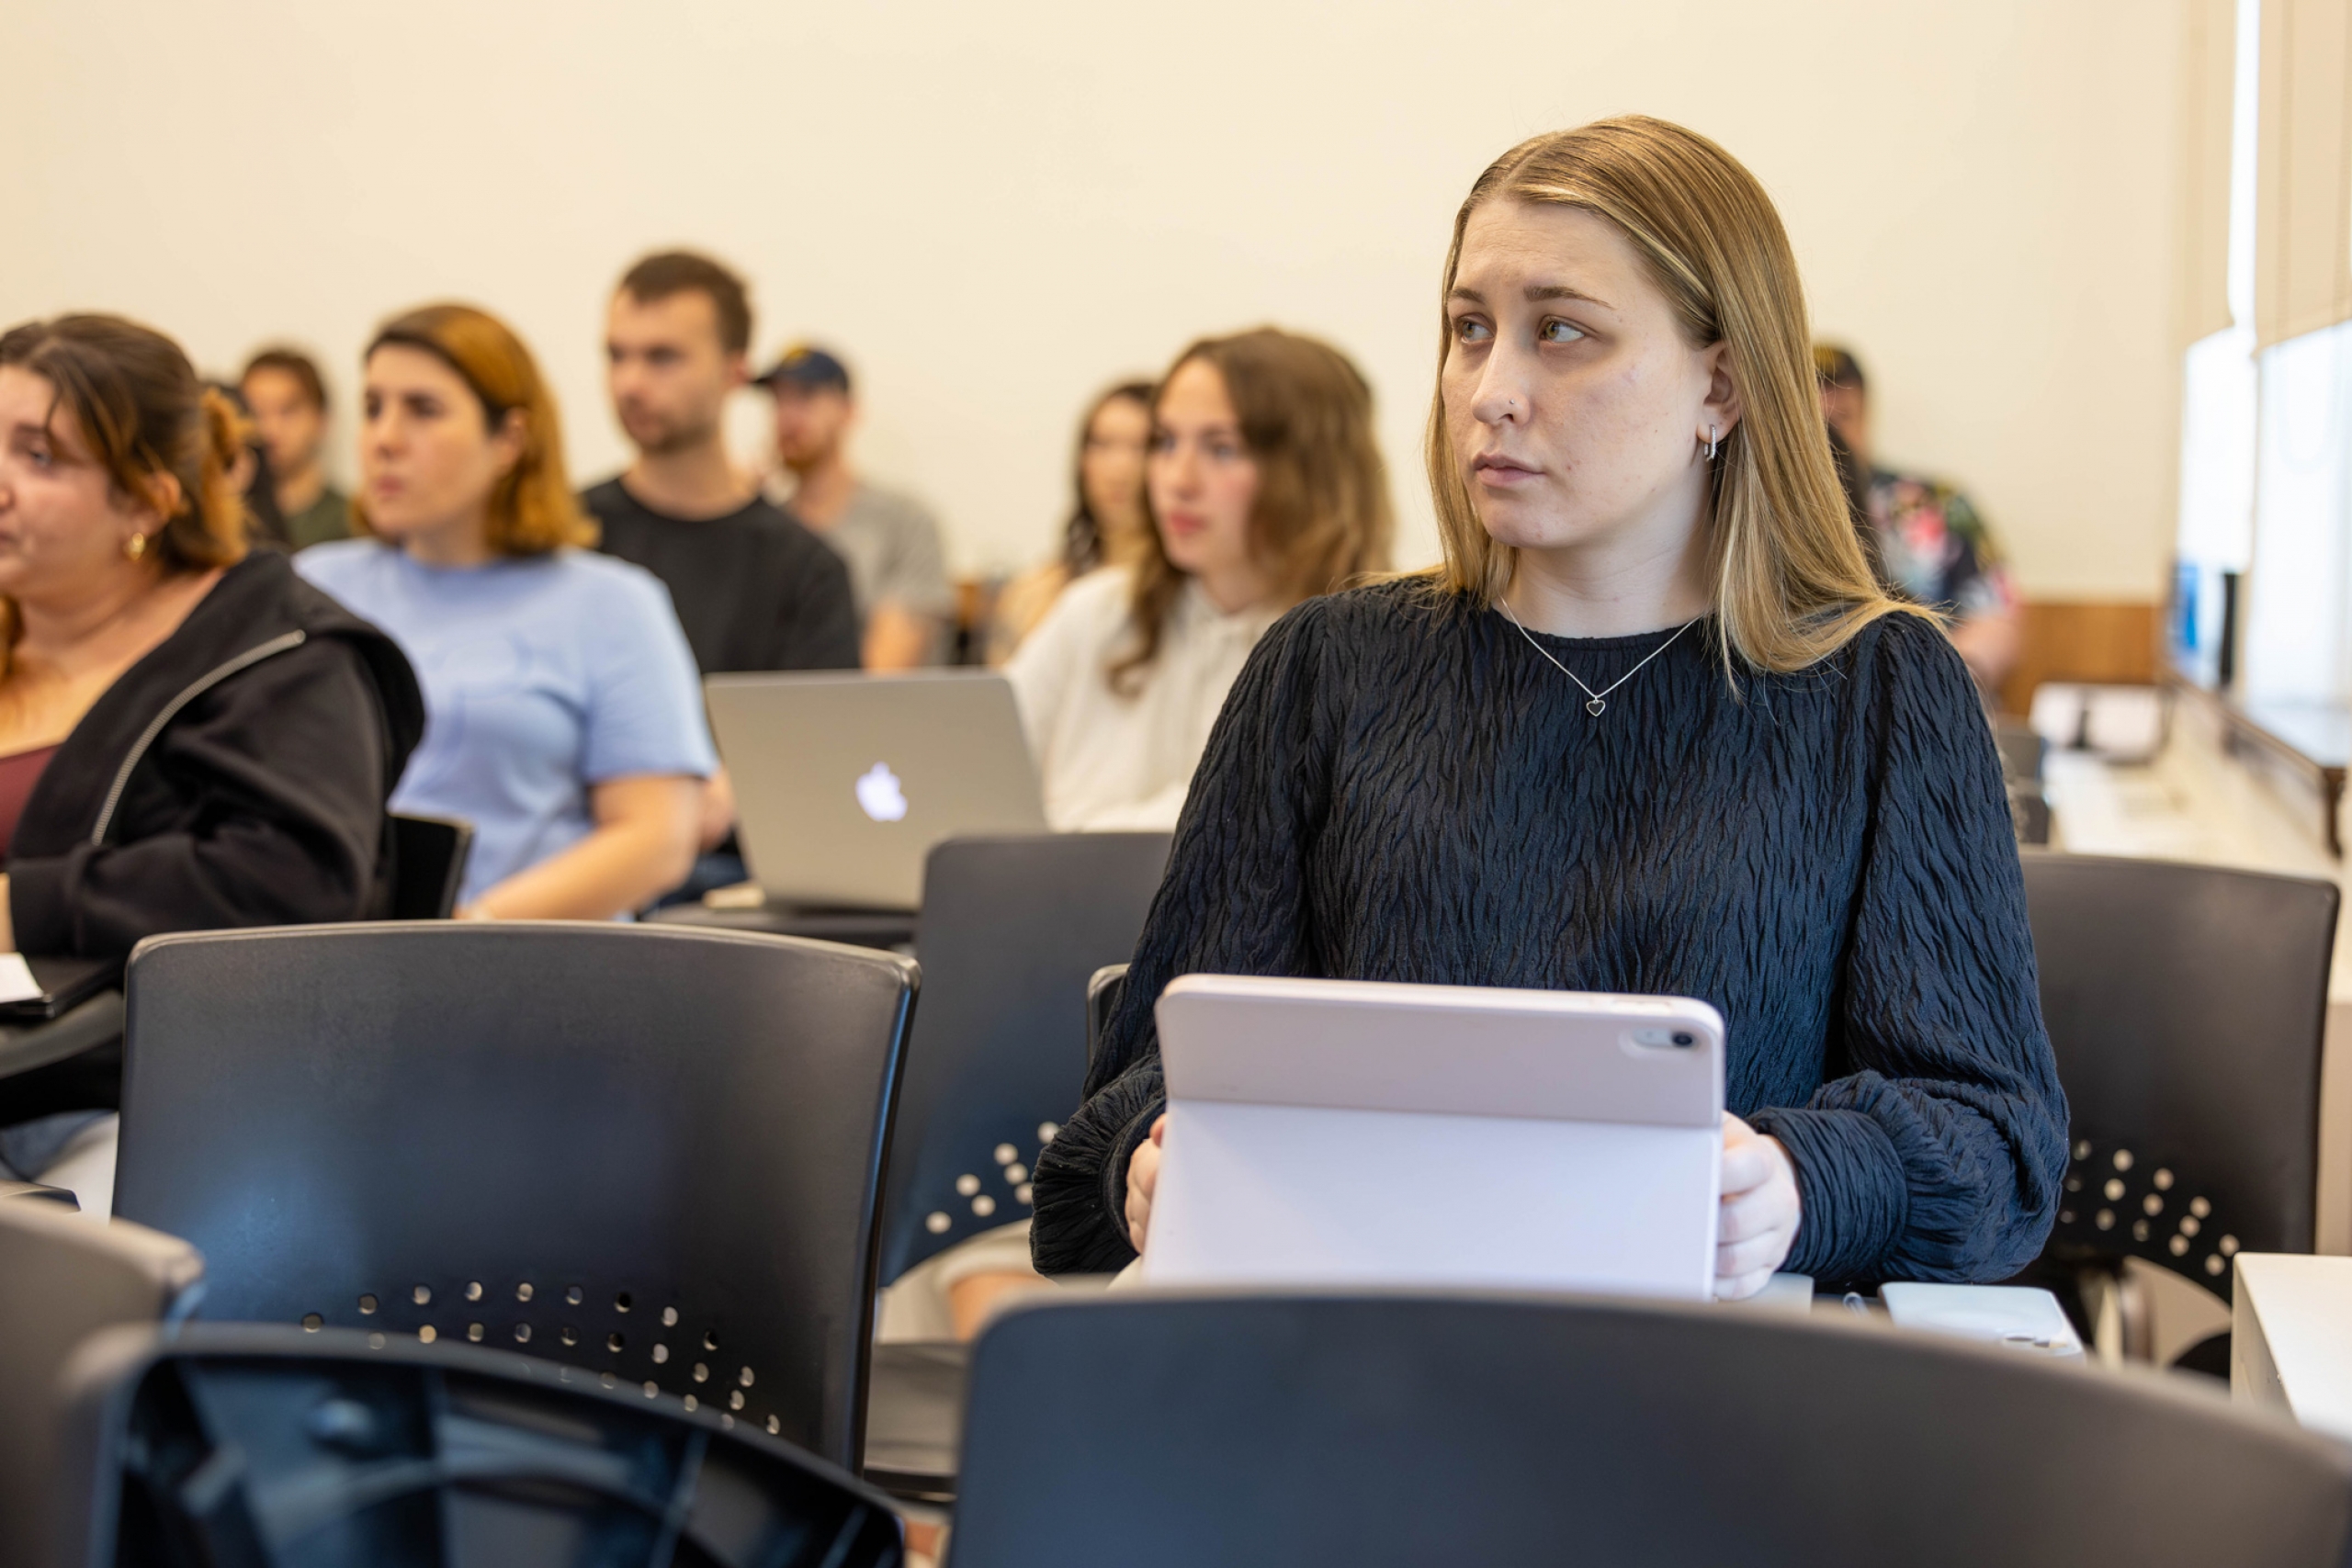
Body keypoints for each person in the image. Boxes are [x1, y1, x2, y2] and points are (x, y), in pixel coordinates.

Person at [1031, 118, 2067, 1299]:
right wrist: (1148, 1165)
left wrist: (1794, 1184)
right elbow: (1129, 1106)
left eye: (1560, 332)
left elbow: (1996, 1147)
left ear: (1720, 385)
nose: (1492, 392)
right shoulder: (1325, 670)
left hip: (1710, 1380)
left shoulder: (1880, 691)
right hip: (1359, 1352)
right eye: (1469, 330)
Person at [0, 313, 423, 1159]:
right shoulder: (17, 623)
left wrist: (22, 903)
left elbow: (292, 882)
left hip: (135, 1104)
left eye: (38, 456)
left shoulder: (277, 653)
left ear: (148, 500)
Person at [300, 304, 714, 920]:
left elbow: (657, 840)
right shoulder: (312, 585)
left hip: (527, 969)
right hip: (323, 958)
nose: (385, 439)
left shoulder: (610, 604)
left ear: (509, 441)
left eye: (424, 410)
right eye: (373, 407)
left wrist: (475, 930)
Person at [1007, 330, 1391, 833]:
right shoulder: (1094, 612)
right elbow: (968, 771)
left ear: (1308, 471)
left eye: (1222, 448)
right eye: (1165, 443)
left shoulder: (1364, 652)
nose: (1177, 480)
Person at [582, 253, 859, 674]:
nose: (629, 383)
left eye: (662, 357)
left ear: (734, 372)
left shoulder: (803, 573)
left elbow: (821, 739)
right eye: (617, 355)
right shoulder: (564, 535)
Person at [1815, 344, 2020, 692]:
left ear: (1866, 417)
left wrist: (1941, 684)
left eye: (1841, 419)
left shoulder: (1938, 505)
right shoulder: (1765, 515)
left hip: (1936, 687)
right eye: (1812, 421)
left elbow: (1997, 620)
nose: (1827, 438)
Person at [759, 346, 953, 670]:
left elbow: (884, 672)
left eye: (806, 396)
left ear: (848, 411)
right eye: (779, 400)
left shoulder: (904, 522)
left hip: (869, 713)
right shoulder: (767, 527)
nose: (788, 415)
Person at [986, 379, 1156, 663]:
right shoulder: (1035, 593)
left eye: (1140, 447)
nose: (1118, 469)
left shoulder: (1194, 598)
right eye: (1102, 444)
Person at [241, 346, 351, 548]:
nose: (269, 429)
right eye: (255, 412)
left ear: (321, 420)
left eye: (287, 411)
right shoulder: (228, 519)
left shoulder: (351, 521)